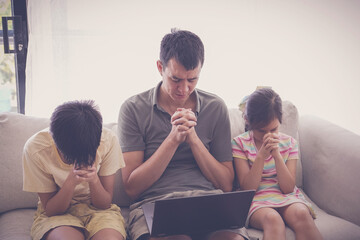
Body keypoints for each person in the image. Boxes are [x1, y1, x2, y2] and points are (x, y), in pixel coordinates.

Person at [118, 29, 248, 240]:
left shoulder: (215, 107)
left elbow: (225, 184)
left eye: (192, 80)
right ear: (160, 67)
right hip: (155, 204)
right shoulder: (133, 109)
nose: (184, 89)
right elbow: (132, 188)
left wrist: (193, 139)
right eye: (176, 79)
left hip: (208, 201)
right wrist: (173, 139)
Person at [22, 100, 126, 240]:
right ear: (54, 138)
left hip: (99, 211)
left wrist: (94, 180)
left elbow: (104, 204)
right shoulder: (36, 148)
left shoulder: (107, 140)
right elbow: (52, 210)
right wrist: (70, 182)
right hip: (58, 215)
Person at [232, 88, 323, 240]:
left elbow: (288, 188)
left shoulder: (289, 143)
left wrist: (277, 156)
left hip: (284, 196)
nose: (268, 136)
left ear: (280, 122)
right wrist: (261, 156)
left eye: (273, 129)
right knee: (273, 219)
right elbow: (248, 189)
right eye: (261, 131)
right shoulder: (239, 144)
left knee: (302, 214)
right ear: (249, 122)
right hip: (256, 199)